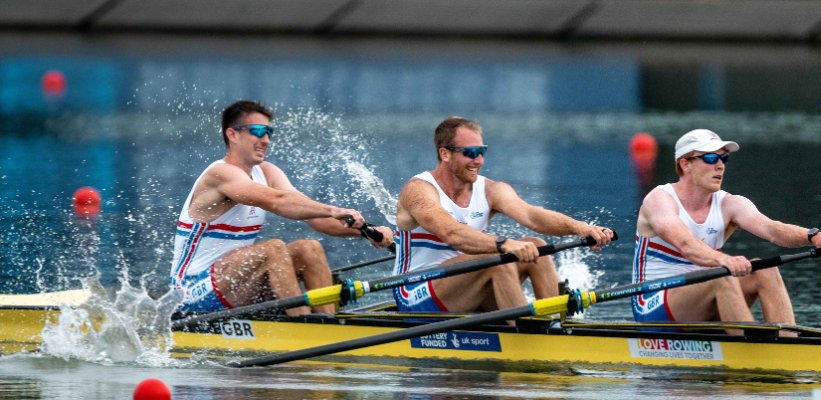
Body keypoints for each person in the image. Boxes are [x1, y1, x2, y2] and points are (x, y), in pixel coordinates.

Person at [170, 100, 393, 316]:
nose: (266, 140)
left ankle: (327, 322)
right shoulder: (220, 174)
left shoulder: (267, 172)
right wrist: (333, 210)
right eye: (257, 131)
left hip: (235, 283)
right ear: (233, 134)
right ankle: (304, 328)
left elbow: (315, 218)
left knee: (310, 248)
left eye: (269, 132)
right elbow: (278, 201)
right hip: (190, 292)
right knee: (274, 249)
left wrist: (368, 231)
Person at [631, 129, 821, 335]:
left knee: (766, 271)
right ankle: (752, 349)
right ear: (685, 164)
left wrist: (815, 237)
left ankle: (788, 346)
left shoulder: (730, 203)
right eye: (710, 158)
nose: (720, 166)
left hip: (702, 298)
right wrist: (724, 260)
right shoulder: (659, 200)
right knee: (722, 277)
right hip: (653, 304)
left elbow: (772, 229)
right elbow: (687, 245)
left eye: (724, 158)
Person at [391, 116, 614, 315]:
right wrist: (502, 244)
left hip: (466, 284)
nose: (479, 161)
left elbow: (532, 216)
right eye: (470, 153)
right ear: (445, 154)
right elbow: (451, 233)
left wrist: (580, 227)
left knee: (537, 247)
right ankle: (528, 337)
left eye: (482, 152)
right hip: (416, 293)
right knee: (497, 258)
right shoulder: (419, 190)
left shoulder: (490, 189)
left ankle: (555, 323)